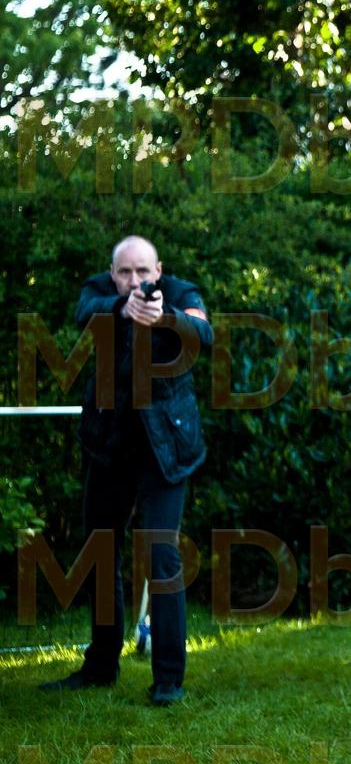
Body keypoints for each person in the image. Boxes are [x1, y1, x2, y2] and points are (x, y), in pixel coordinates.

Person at [40, 235, 211, 707]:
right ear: (112, 273)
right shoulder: (100, 291)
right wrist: (121, 309)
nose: (135, 281)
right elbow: (84, 311)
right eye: (125, 273)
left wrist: (165, 317)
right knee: (99, 551)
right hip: (110, 446)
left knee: (161, 557)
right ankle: (100, 667)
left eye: (143, 272)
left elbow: (205, 333)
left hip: (166, 450)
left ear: (159, 271)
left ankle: (169, 680)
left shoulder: (181, 293)